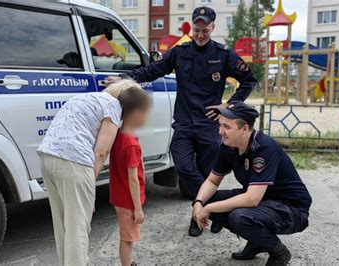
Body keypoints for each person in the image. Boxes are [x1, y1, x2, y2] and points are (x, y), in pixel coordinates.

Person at [107, 6, 256, 237]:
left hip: (208, 124)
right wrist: (126, 78)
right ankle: (216, 210)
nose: (200, 35)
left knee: (208, 173)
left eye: (204, 30)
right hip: (184, 123)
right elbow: (154, 70)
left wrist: (229, 105)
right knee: (184, 167)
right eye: (196, 30)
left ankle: (197, 218)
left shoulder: (223, 55)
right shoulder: (180, 52)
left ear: (212, 28)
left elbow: (248, 80)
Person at [192, 102, 312, 266]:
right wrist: (199, 203)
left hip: (291, 208)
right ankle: (257, 241)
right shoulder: (228, 147)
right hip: (264, 202)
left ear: (245, 128)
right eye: (220, 125)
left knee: (240, 217)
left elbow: (251, 200)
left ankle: (279, 253)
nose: (221, 132)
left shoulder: (264, 148)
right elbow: (212, 181)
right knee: (208, 198)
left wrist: (208, 209)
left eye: (227, 127)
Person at [37, 79, 143, 266]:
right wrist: (89, 187)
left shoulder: (84, 97)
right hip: (74, 161)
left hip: (47, 157)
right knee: (77, 227)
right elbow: (101, 152)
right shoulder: (113, 106)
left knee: (63, 225)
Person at [109, 88, 152, 266]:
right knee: (127, 238)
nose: (147, 118)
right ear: (136, 113)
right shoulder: (131, 145)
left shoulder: (118, 135)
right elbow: (133, 179)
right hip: (128, 201)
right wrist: (138, 208)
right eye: (146, 113)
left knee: (126, 235)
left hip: (119, 196)